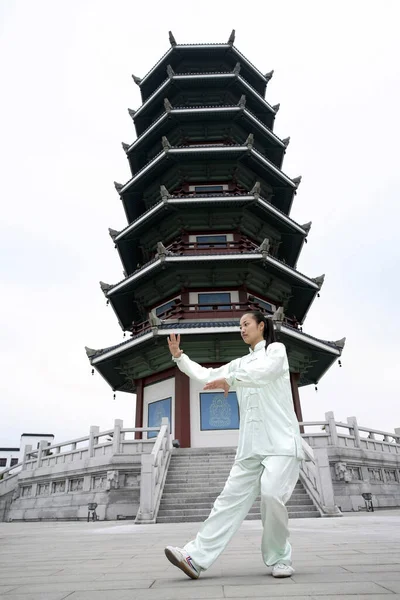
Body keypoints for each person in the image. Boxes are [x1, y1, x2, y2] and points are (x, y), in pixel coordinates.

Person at [164, 311, 304, 579]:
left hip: (281, 442)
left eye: (246, 324)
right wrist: (179, 357)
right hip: (251, 446)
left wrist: (232, 380)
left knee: (272, 494)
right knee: (227, 501)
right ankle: (195, 557)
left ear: (262, 326)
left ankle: (279, 558)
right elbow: (208, 375)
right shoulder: (240, 363)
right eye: (239, 326)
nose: (242, 329)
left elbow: (264, 372)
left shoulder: (276, 351)